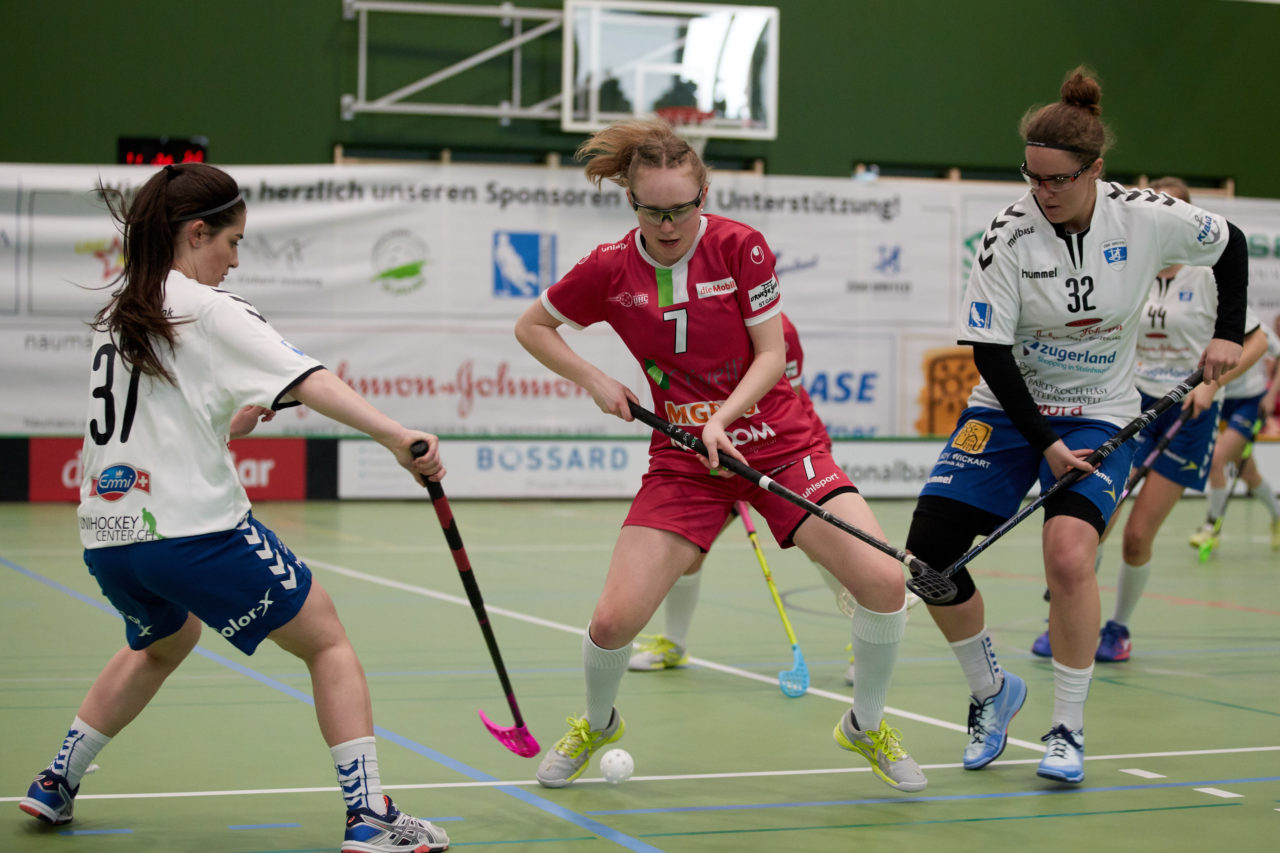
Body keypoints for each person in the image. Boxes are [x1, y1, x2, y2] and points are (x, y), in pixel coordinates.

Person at [17, 164, 450, 853]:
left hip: (107, 534)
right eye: (232, 241)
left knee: (164, 640)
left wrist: (228, 425)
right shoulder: (208, 306)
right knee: (327, 639)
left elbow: (153, 420)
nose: (236, 258)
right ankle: (370, 814)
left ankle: (55, 781)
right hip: (191, 531)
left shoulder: (125, 309)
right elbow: (310, 379)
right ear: (197, 232)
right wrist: (398, 436)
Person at [514, 119, 925, 793]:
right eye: (654, 210)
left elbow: (772, 353)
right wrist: (595, 378)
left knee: (884, 583)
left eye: (683, 208)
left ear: (704, 194)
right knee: (613, 620)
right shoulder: (609, 268)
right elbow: (532, 326)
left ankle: (866, 723)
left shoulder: (741, 247)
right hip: (683, 461)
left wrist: (724, 417)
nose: (670, 224)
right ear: (632, 203)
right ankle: (596, 721)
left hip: (781, 444)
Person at [903, 68, 1249, 785]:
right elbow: (992, 353)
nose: (1041, 193)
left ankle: (1067, 727)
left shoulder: (1148, 215)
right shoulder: (1006, 236)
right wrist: (1045, 443)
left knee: (1067, 555)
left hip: (1100, 407)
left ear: (1095, 170)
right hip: (1008, 408)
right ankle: (992, 693)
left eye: (1057, 179)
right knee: (929, 558)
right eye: (1031, 177)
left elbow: (1234, 241)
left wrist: (1226, 335)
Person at [1029, 178, 1267, 661]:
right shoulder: (1127, 267)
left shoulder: (1207, 274)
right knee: (1096, 520)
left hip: (1190, 411)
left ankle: (1118, 628)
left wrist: (1213, 384)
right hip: (1129, 404)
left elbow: (1258, 340)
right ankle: (1066, 620)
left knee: (1138, 536)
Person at [628, 313, 895, 686]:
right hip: (711, 458)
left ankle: (860, 645)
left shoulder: (779, 330)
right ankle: (674, 644)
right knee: (687, 552)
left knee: (824, 551)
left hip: (780, 451)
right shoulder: (691, 319)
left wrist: (755, 466)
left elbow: (791, 399)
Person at [1188, 316, 1280, 553]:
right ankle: (1278, 517)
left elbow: (1277, 353)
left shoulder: (1248, 321)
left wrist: (1271, 396)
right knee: (1248, 472)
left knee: (1217, 458)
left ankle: (1211, 527)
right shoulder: (1198, 319)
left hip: (1249, 402)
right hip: (1217, 400)